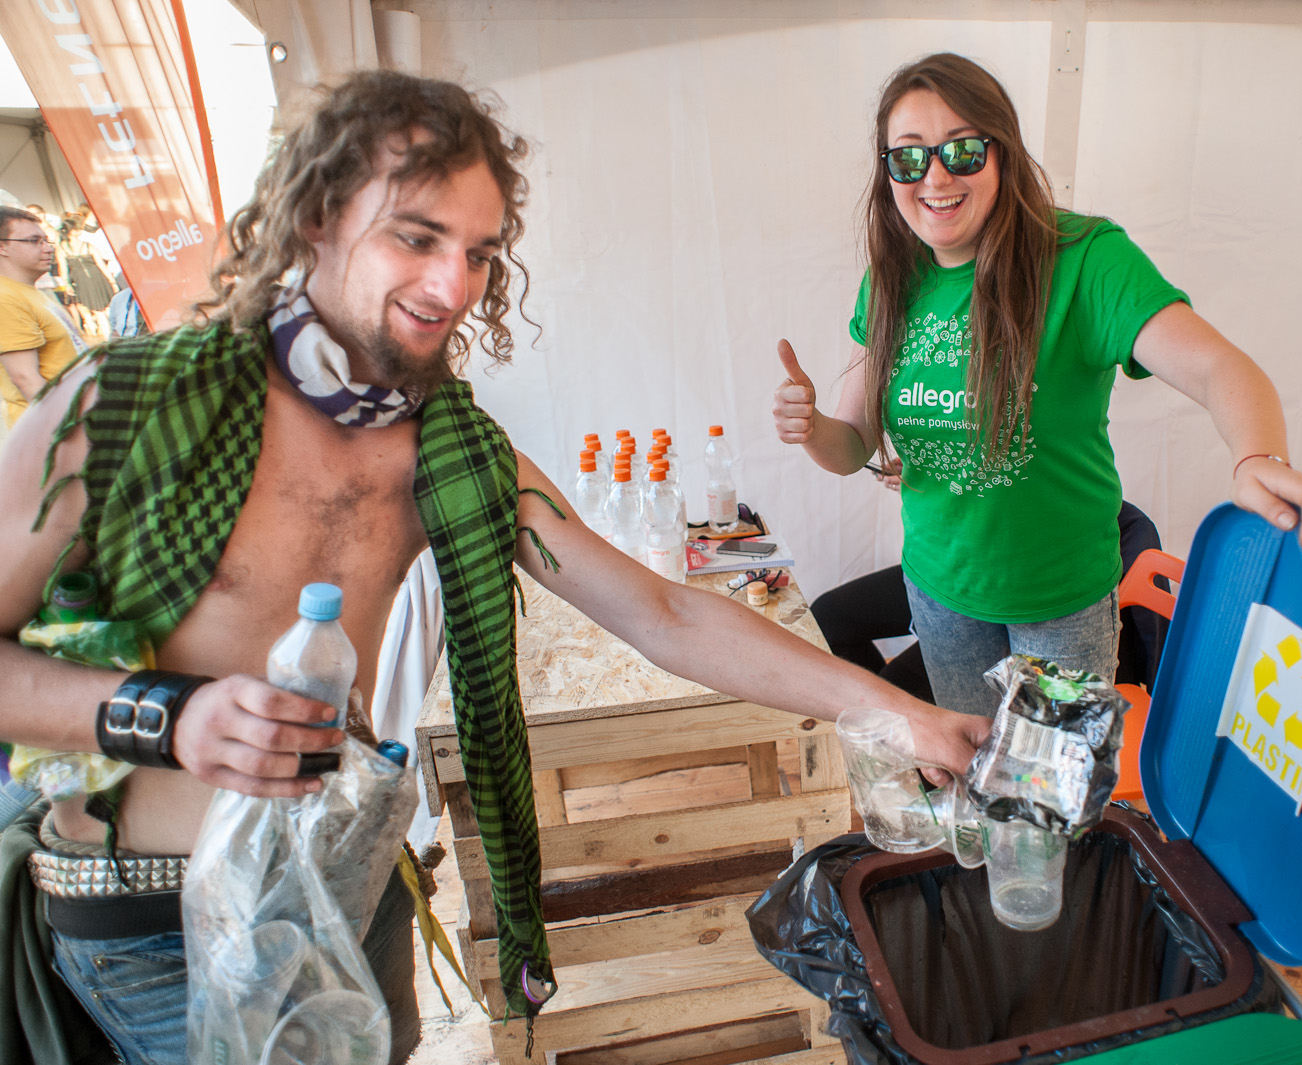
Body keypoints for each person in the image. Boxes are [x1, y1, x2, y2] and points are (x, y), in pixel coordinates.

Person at [0, 71, 987, 1064]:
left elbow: (664, 613)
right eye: (416, 237)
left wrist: (902, 713)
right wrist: (169, 716)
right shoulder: (122, 408)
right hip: (153, 924)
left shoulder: (447, 447)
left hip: (345, 889)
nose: (452, 287)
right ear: (314, 217)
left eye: (477, 253)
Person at [772, 53, 1302, 717]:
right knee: (974, 767)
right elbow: (853, 444)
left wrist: (1258, 456)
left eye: (963, 150)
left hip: (1062, 609)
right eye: (909, 157)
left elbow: (1218, 366)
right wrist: (813, 428)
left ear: (1003, 153)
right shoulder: (890, 282)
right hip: (941, 597)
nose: (935, 176)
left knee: (1050, 783)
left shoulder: (1084, 260)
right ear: (888, 172)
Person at [0, 206, 77, 427]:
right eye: (34, 241)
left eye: (46, 240)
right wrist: (70, 429)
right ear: (2, 247)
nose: (48, 248)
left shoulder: (28, 292)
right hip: (53, 429)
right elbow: (26, 380)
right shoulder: (5, 298)